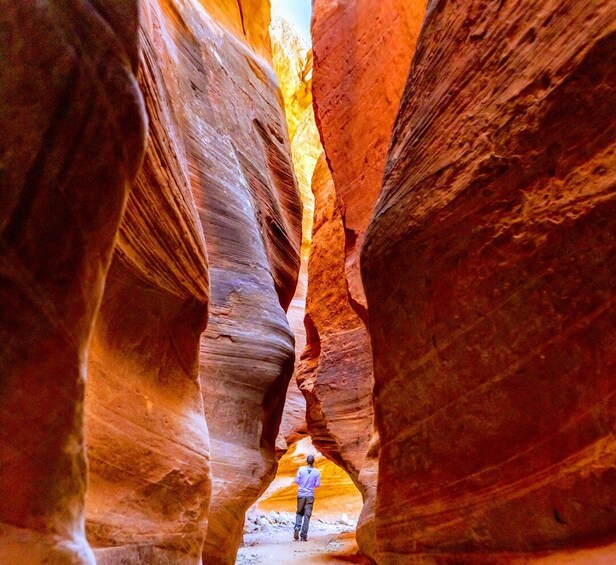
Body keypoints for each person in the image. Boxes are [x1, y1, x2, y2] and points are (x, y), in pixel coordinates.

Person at [293, 454, 321, 541]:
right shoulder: (317, 472)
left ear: (306, 461)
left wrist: (303, 483)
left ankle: (297, 527)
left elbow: (297, 481)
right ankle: (303, 536)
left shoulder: (301, 469)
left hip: (301, 494)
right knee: (307, 515)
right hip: (310, 495)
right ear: (313, 461)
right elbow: (317, 484)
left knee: (299, 512)